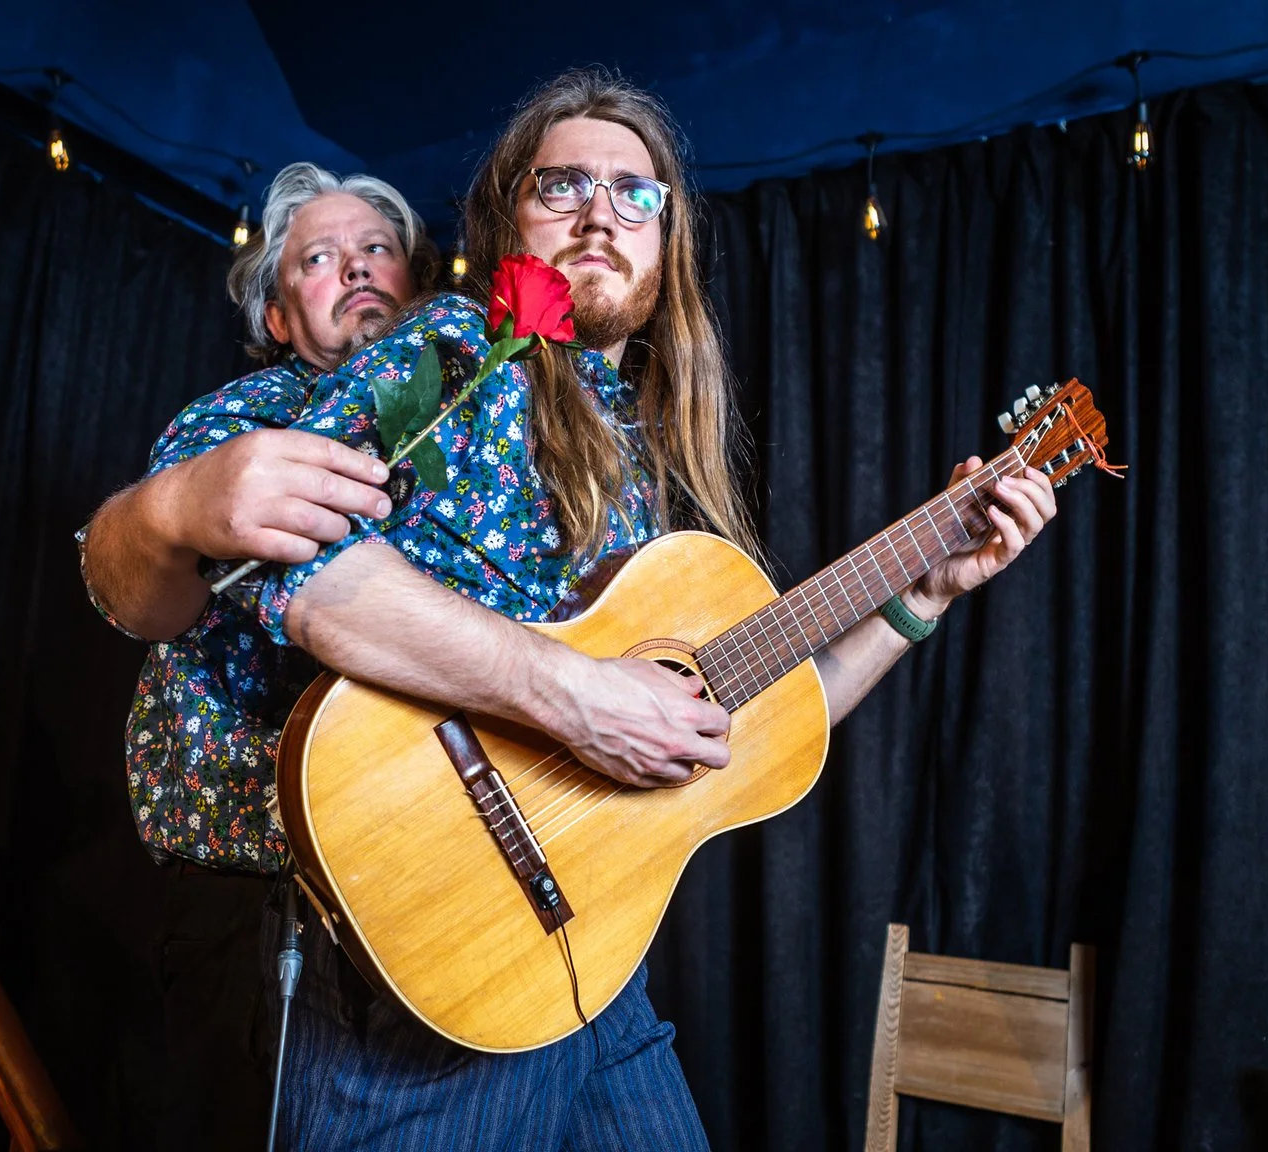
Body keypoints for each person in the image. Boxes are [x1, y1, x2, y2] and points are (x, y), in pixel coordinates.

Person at [85, 69, 1056, 1150]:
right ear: (507, 218)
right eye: (562, 186)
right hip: (431, 966)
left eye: (634, 193)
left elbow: (748, 732)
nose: (600, 211)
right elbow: (307, 579)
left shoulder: (637, 452)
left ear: (668, 239)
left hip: (587, 969)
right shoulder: (453, 352)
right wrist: (582, 698)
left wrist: (917, 598)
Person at [77, 160, 435, 1147]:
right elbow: (139, 590)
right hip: (254, 904)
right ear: (279, 316)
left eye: (376, 249)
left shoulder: (465, 423)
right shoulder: (240, 425)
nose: (357, 270)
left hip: (410, 893)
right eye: (318, 260)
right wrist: (175, 509)